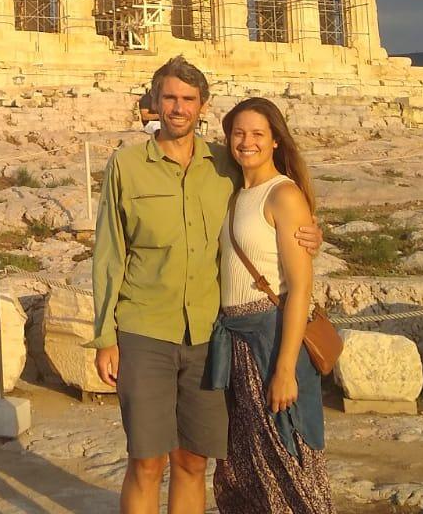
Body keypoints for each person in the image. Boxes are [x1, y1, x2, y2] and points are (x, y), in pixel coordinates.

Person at [91, 57, 322, 514]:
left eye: (189, 100)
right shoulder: (127, 164)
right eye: (170, 97)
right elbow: (108, 253)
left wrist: (313, 233)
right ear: (154, 101)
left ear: (203, 107)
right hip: (144, 330)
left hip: (206, 336)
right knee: (146, 461)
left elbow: (273, 200)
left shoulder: (224, 164)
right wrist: (104, 339)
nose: (178, 108)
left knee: (194, 461)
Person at [208, 98, 332, 513]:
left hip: (273, 340)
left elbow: (300, 287)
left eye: (258, 133)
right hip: (236, 344)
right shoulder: (234, 189)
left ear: (275, 140)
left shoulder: (283, 194)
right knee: (246, 468)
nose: (247, 142)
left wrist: (284, 369)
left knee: (288, 461)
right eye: (239, 133)